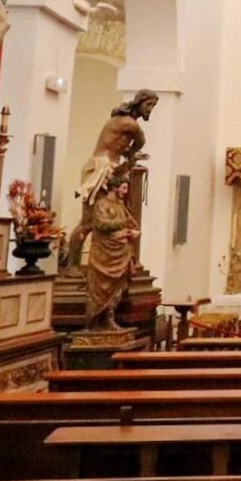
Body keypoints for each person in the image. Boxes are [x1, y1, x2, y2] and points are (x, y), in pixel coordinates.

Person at [65, 90, 158, 263]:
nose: (150, 109)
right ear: (139, 102)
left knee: (112, 217)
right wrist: (132, 154)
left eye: (153, 106)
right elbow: (141, 141)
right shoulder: (129, 124)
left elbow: (125, 150)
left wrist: (129, 159)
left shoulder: (127, 122)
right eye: (148, 104)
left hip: (113, 170)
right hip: (101, 170)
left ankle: (105, 262)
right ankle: (72, 264)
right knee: (88, 223)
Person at [83, 176, 138, 330]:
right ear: (115, 187)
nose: (125, 192)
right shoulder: (101, 204)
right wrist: (123, 224)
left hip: (120, 252)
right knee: (101, 289)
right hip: (104, 255)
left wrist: (134, 233)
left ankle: (109, 316)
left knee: (118, 287)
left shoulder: (120, 206)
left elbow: (129, 224)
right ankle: (97, 320)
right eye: (124, 188)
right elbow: (101, 224)